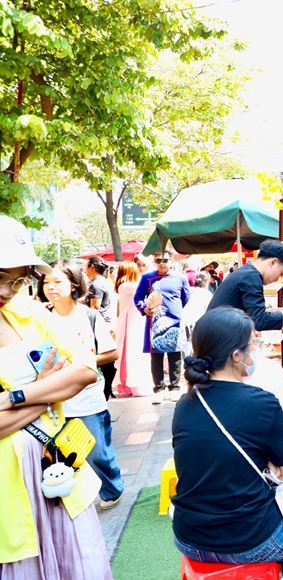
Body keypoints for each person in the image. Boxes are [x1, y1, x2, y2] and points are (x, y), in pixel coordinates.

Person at [172, 307, 283, 579]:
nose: (256, 349)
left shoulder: (185, 404)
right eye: (253, 344)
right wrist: (268, 463)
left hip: (188, 537)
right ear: (236, 355)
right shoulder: (262, 402)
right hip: (247, 540)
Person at [0, 215, 112, 578]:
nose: (8, 290)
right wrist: (48, 392)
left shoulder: (31, 312)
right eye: (1, 276)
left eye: (18, 279)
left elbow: (85, 370)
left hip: (58, 467)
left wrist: (17, 396)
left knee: (76, 561)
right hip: (7, 489)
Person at [38, 260, 125, 510]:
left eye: (58, 281)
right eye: (46, 282)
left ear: (74, 284)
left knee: (98, 453)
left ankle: (112, 488)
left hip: (88, 399)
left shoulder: (89, 315)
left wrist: (80, 362)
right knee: (59, 453)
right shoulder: (40, 318)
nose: (50, 287)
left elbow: (111, 352)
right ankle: (71, 496)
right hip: (52, 400)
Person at [134, 249, 190, 404]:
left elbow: (185, 298)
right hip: (154, 322)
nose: (162, 263)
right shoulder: (147, 278)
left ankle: (174, 388)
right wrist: (144, 308)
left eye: (165, 260)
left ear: (172, 261)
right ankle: (158, 389)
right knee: (156, 357)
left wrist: (175, 309)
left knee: (175, 355)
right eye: (158, 261)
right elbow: (138, 298)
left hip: (174, 321)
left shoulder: (180, 278)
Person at [208, 240, 283, 331]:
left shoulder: (245, 272)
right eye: (280, 274)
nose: (276, 279)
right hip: (219, 336)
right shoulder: (251, 276)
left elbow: (251, 315)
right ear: (273, 262)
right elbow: (259, 321)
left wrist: (273, 313)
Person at [113, 261, 151, 397]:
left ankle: (126, 385)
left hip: (130, 322)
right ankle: (135, 386)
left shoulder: (124, 286)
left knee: (128, 353)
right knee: (133, 353)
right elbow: (147, 286)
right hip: (130, 323)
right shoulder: (126, 286)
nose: (140, 269)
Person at [85, 256, 117, 399]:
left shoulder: (96, 285)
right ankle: (107, 389)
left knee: (103, 360)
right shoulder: (103, 281)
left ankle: (105, 389)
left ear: (91, 266)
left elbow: (95, 307)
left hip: (98, 324)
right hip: (106, 322)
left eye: (86, 266)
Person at [182, 272, 213, 342]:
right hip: (196, 324)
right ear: (206, 282)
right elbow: (208, 311)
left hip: (183, 322)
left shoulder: (189, 290)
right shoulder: (207, 294)